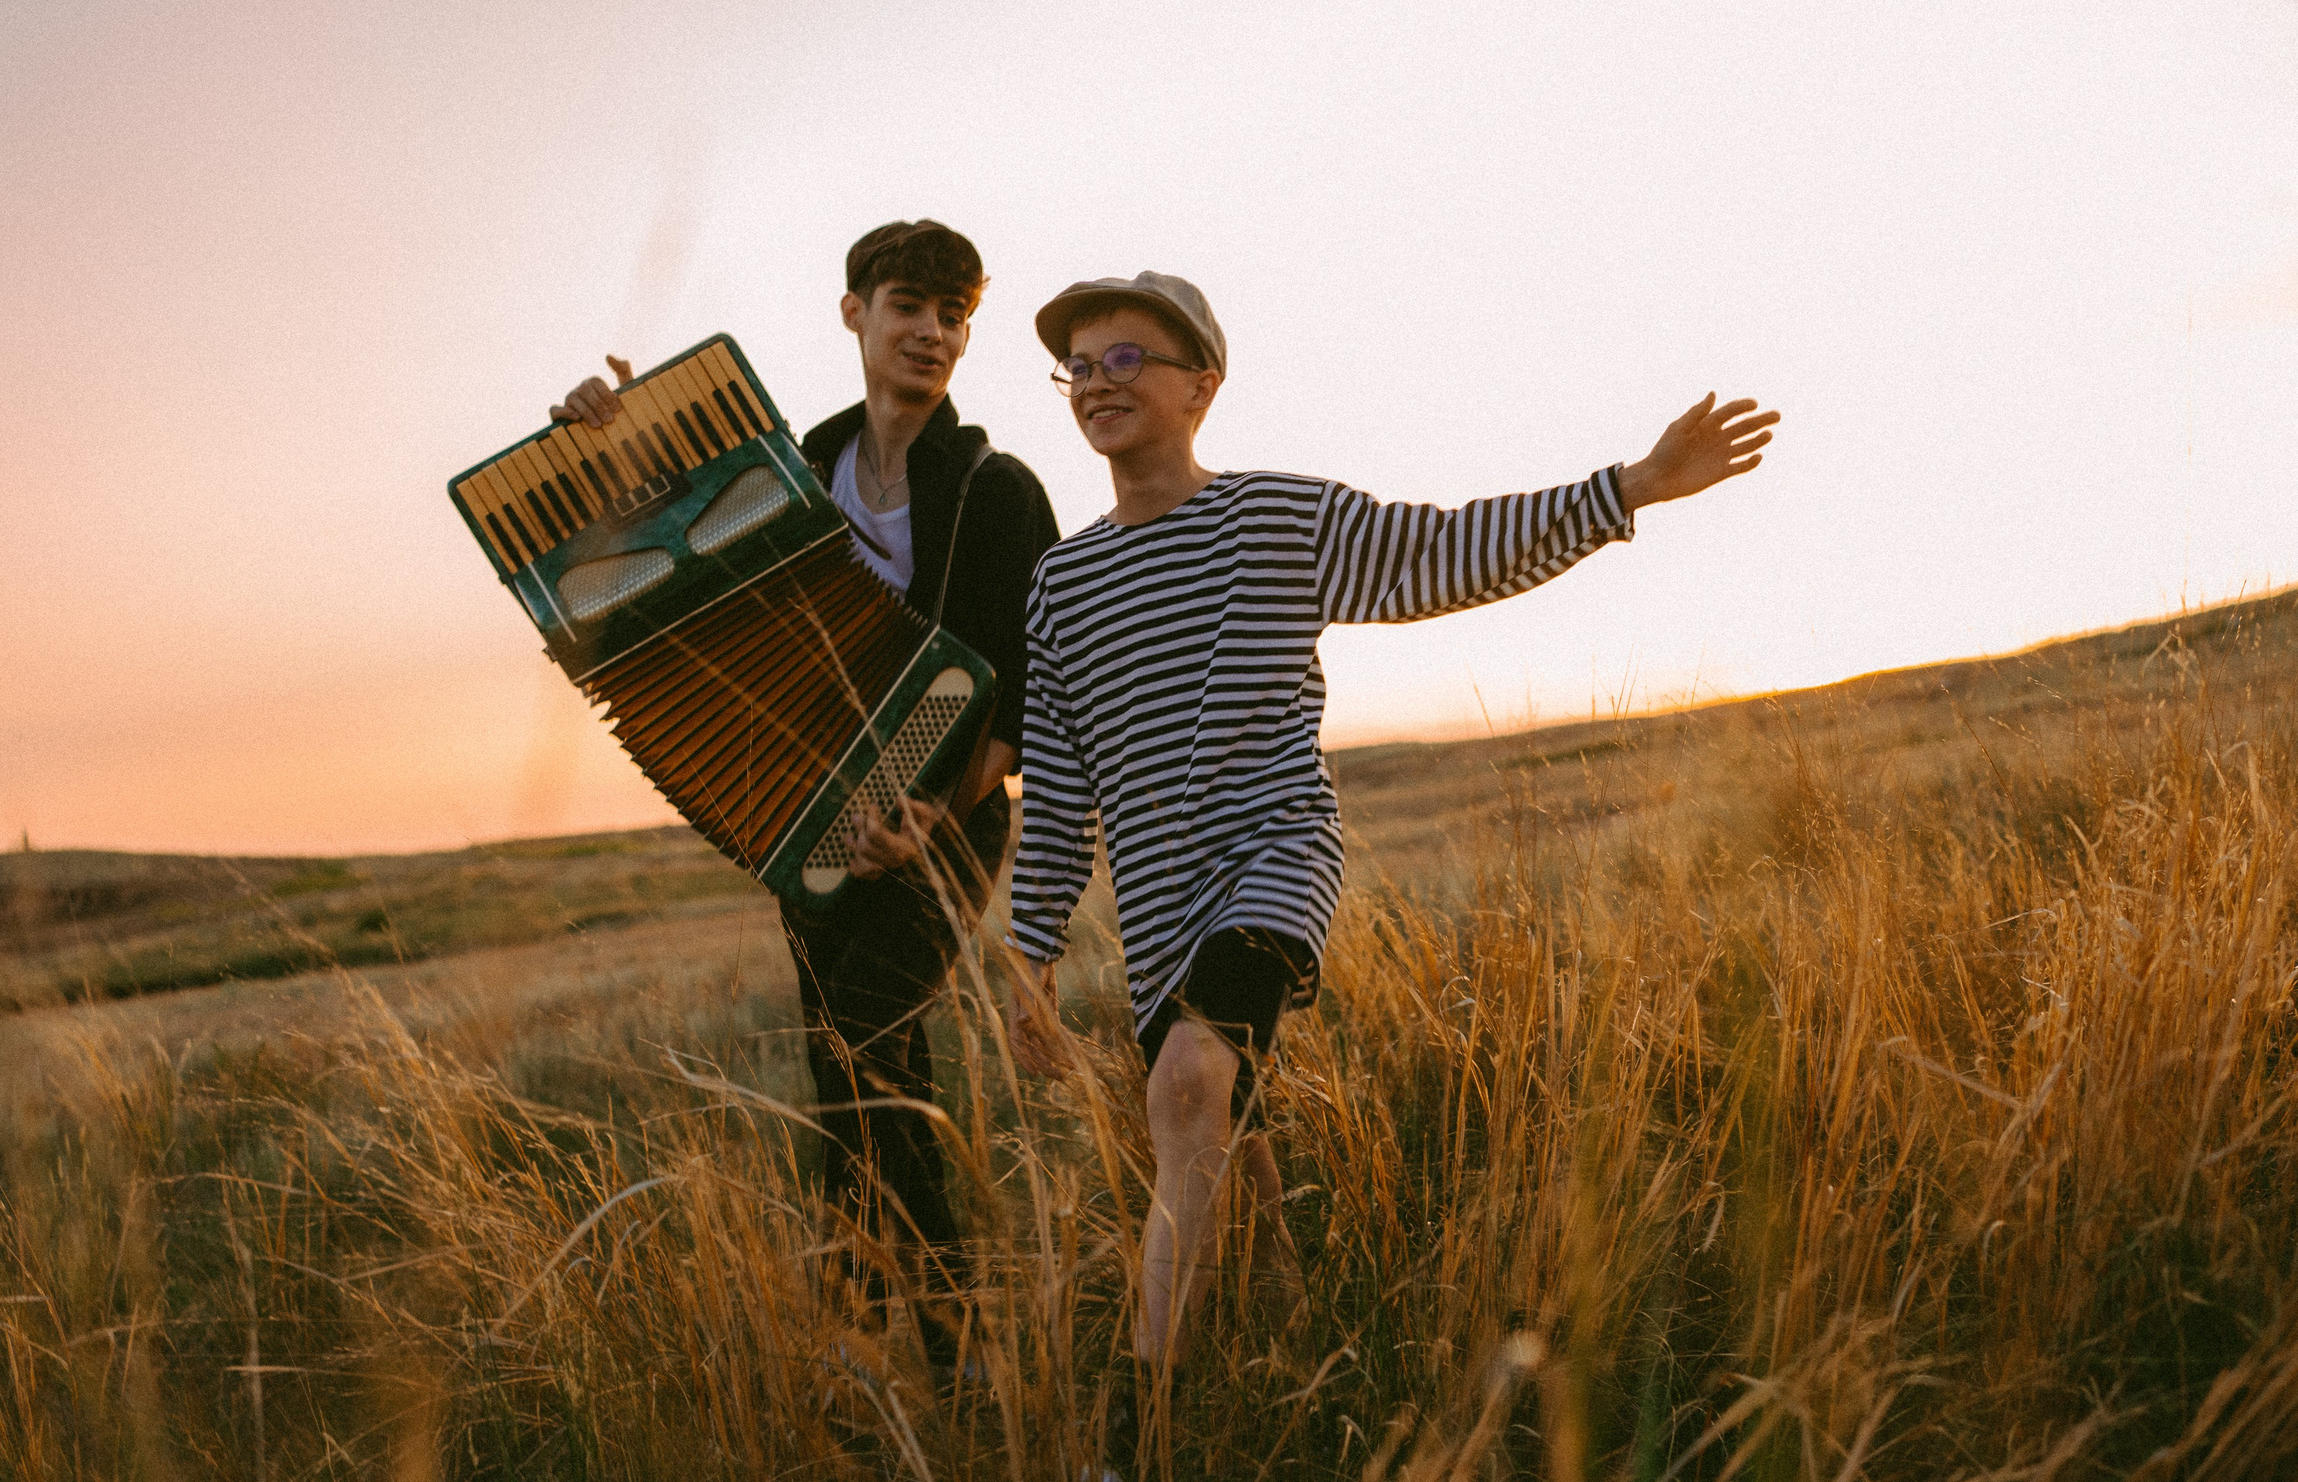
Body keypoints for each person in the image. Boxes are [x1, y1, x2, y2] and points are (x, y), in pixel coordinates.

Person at [1001, 271, 1779, 1421]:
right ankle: (1296, 1348)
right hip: (1157, 911)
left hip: (1269, 862)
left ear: (1200, 386)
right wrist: (1028, 953)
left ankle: (1139, 1438)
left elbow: (1441, 551)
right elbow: (1058, 786)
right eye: (1079, 364)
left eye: (1127, 359)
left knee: (1187, 1085)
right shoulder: (1062, 584)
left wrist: (1630, 489)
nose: (1096, 383)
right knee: (1228, 1134)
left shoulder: (1272, 520)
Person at [552, 220, 1061, 1373]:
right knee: (853, 1065)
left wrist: (936, 811)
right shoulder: (788, 468)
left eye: (952, 313)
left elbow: (1029, 688)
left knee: (868, 1038)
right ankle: (912, 1341)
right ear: (854, 315)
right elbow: (670, 564)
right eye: (907, 305)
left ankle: (898, 1332)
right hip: (810, 826)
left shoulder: (994, 489)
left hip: (950, 825)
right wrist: (606, 434)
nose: (932, 331)